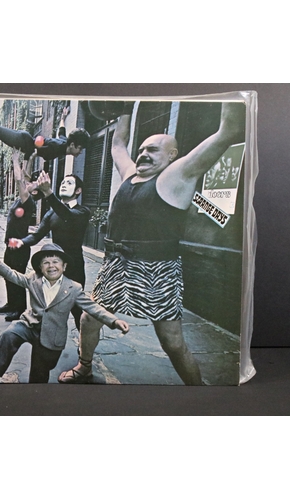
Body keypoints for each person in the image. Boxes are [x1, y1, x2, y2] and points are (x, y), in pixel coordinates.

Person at [58, 101, 245, 385]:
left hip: (157, 271)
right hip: (117, 266)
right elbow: (118, 145)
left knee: (172, 342)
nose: (144, 153)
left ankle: (199, 392)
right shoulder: (130, 175)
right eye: (142, 149)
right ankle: (84, 367)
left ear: (172, 155)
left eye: (153, 150)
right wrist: (124, 107)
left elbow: (227, 131)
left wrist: (232, 90)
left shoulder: (177, 176)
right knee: (89, 318)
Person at [0, 243, 129, 383]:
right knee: (9, 334)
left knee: (39, 372)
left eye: (55, 262)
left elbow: (92, 307)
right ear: (40, 268)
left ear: (64, 266)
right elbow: (14, 276)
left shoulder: (74, 288)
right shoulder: (33, 279)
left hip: (52, 335)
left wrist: (114, 321)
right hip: (30, 325)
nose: (51, 266)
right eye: (46, 262)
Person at [8, 170, 91, 330]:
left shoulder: (82, 212)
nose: (64, 185)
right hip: (54, 264)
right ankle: (47, 340)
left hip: (74, 266)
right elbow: (37, 235)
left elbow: (67, 215)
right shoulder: (52, 212)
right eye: (62, 183)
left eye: (69, 183)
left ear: (78, 190)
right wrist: (21, 242)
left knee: (76, 308)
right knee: (48, 305)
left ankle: (84, 341)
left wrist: (48, 193)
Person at [0, 105, 90, 161]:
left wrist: (63, 118)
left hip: (24, 138)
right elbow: (32, 151)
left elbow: (61, 131)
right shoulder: (57, 147)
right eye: (80, 148)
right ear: (73, 144)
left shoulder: (64, 142)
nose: (80, 152)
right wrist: (24, 169)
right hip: (23, 142)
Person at [0, 150, 37, 321]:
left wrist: (15, 160)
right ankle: (11, 304)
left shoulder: (28, 201)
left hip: (19, 246)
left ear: (35, 190)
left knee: (17, 277)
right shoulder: (21, 199)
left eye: (31, 184)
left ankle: (19, 309)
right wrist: (30, 158)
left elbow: (20, 180)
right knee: (8, 275)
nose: (26, 183)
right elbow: (25, 176)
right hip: (10, 245)